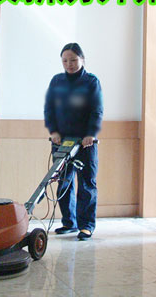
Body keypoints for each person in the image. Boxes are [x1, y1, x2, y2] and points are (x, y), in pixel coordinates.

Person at [44, 43, 103, 240]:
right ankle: (69, 222)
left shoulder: (91, 81)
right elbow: (49, 108)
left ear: (82, 59)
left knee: (86, 183)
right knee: (63, 182)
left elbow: (96, 110)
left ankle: (86, 226)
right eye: (65, 61)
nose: (69, 64)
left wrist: (90, 134)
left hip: (85, 142)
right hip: (61, 140)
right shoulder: (57, 81)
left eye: (73, 60)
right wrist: (53, 131)